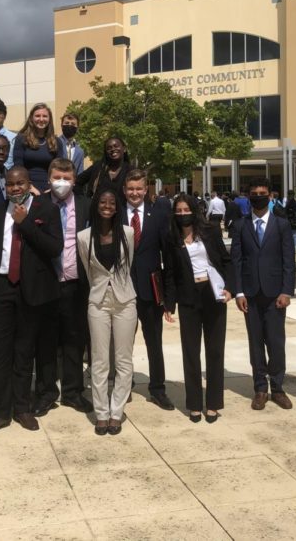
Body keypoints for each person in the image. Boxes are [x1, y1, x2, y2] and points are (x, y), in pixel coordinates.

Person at [0, 166, 63, 437]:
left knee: (24, 353)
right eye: (10, 184)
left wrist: (25, 223)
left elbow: (54, 248)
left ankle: (22, 408)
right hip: (0, 288)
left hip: (30, 289)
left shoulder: (46, 209)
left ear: (28, 184)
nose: (15, 188)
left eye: (20, 183)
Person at [163, 194, 234, 423]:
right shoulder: (171, 237)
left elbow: (225, 260)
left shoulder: (211, 231)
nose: (183, 214)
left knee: (215, 351)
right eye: (179, 210)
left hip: (212, 294)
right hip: (188, 298)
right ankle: (194, 403)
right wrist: (169, 303)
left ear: (195, 210)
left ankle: (213, 403)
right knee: (191, 352)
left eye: (186, 210)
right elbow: (170, 273)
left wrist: (230, 288)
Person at [33, 158, 94, 417]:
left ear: (74, 180)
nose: (61, 183)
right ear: (48, 178)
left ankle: (73, 392)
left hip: (75, 282)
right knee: (45, 341)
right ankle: (46, 392)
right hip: (46, 283)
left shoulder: (85, 205)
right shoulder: (38, 204)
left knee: (74, 339)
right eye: (57, 177)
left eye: (66, 178)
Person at [230, 179, 295, 411]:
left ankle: (277, 388)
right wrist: (238, 291)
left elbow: (289, 260)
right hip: (250, 294)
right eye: (254, 193)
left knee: (276, 343)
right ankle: (260, 388)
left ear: (270, 196)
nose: (258, 196)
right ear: (248, 197)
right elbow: (236, 261)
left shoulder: (281, 224)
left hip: (276, 293)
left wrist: (287, 290)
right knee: (255, 343)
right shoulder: (239, 225)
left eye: (263, 193)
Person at [77, 187, 136, 435]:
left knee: (123, 360)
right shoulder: (83, 237)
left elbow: (128, 264)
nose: (108, 206)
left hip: (125, 301)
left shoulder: (128, 233)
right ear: (96, 204)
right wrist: (102, 290)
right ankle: (101, 413)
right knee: (99, 360)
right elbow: (89, 271)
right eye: (103, 202)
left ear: (117, 206)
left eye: (112, 202)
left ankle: (116, 412)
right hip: (98, 301)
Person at [121, 169, 175, 411]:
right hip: (122, 289)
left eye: (139, 188)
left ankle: (157, 388)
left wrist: (169, 296)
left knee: (154, 342)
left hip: (151, 289)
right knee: (122, 343)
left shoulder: (160, 213)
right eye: (130, 189)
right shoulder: (115, 212)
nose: (134, 193)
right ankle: (124, 384)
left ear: (146, 190)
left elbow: (168, 254)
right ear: (125, 190)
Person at [13, 102, 64, 194]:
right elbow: (18, 166)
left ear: (49, 119)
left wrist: (52, 189)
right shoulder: (21, 139)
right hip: (27, 188)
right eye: (37, 116)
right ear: (31, 118)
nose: (41, 119)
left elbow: (60, 169)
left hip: (50, 190)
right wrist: (30, 187)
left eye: (45, 116)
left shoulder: (57, 142)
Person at [76, 136, 131, 202]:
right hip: (95, 211)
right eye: (109, 148)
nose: (113, 149)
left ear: (124, 149)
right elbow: (77, 182)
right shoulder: (97, 167)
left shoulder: (131, 171)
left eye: (116, 146)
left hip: (122, 211)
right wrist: (83, 200)